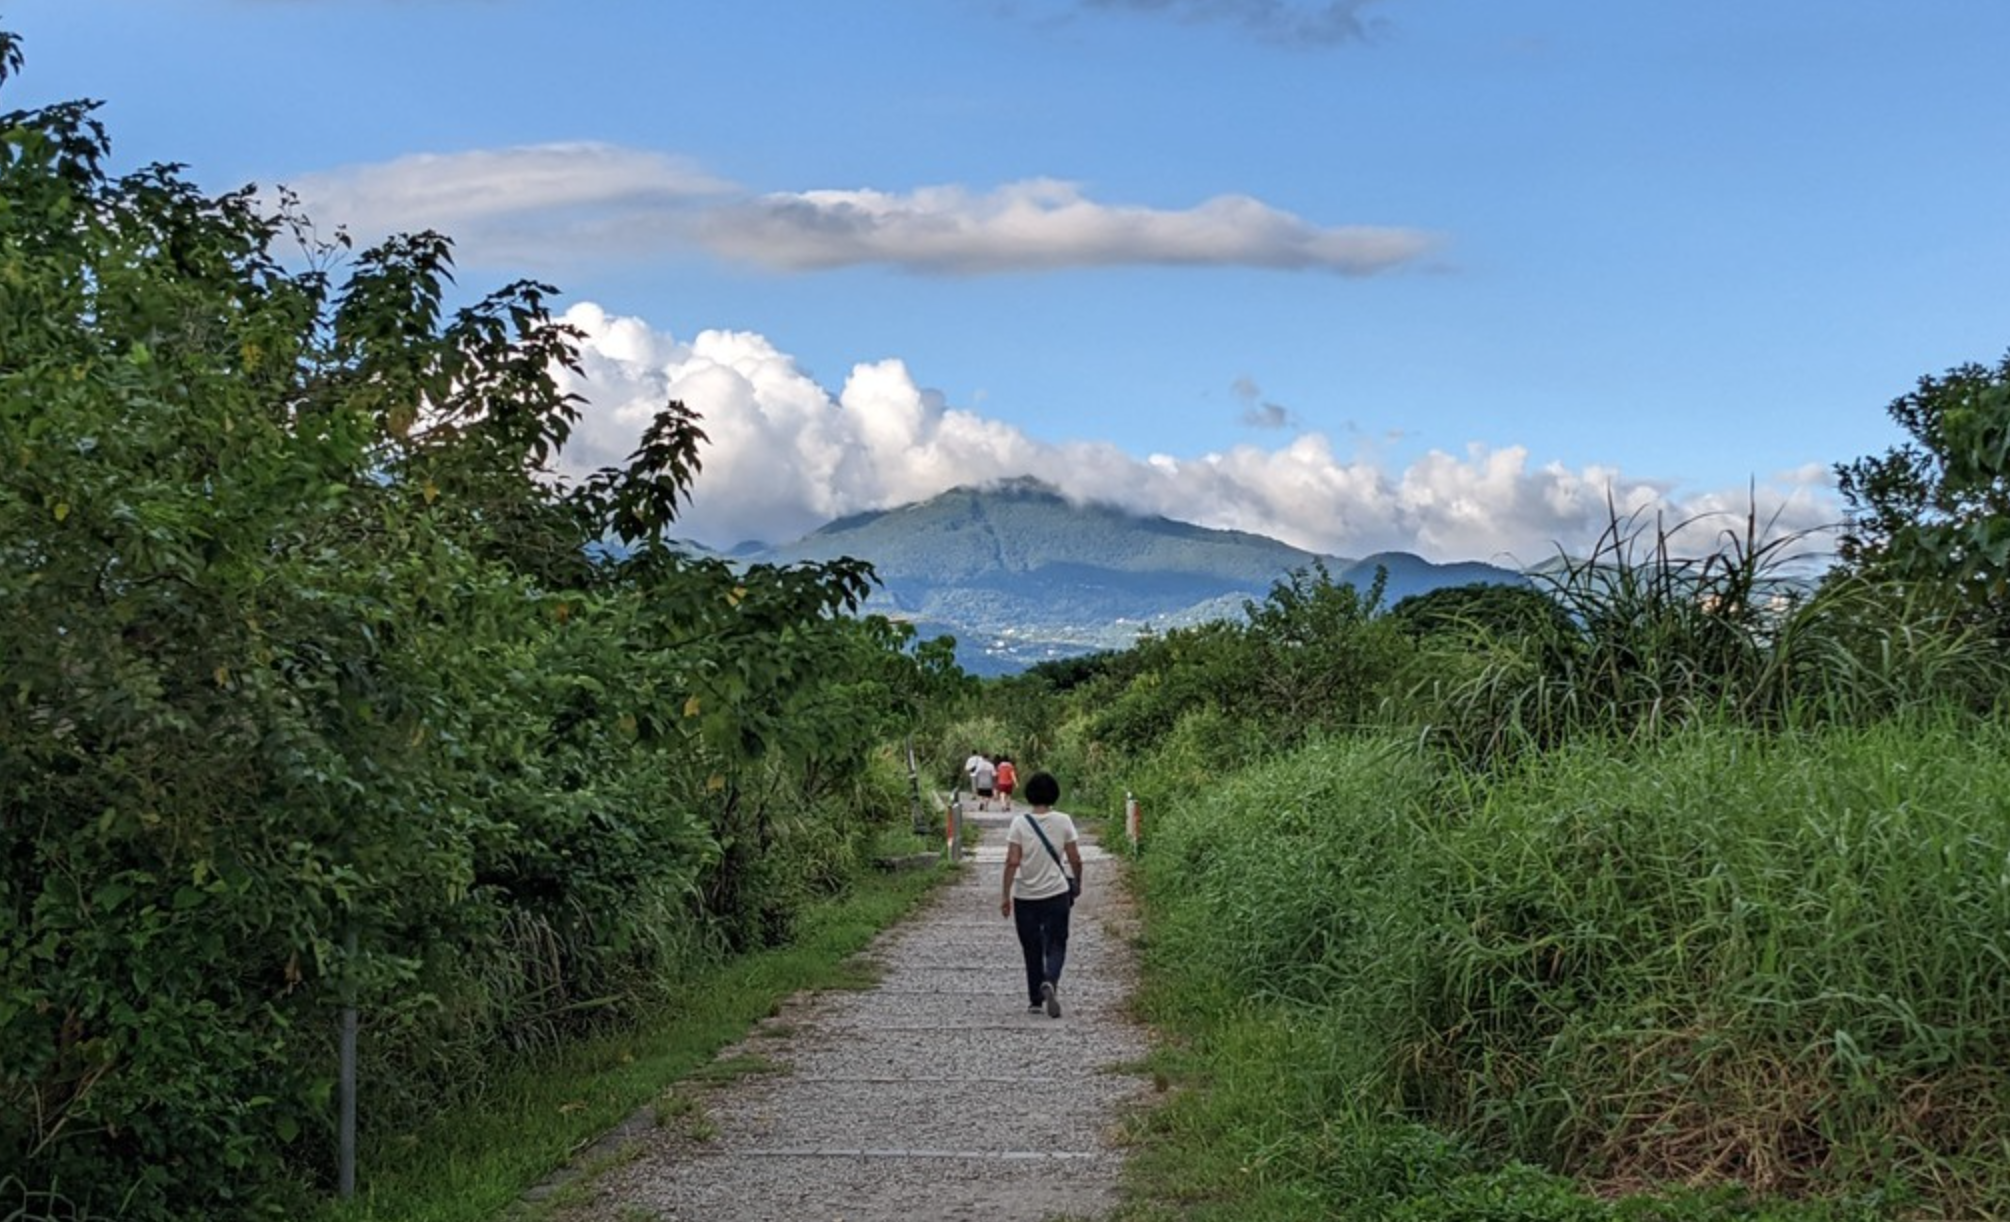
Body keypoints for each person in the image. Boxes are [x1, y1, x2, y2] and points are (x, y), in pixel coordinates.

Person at [999, 772, 1081, 1018]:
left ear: (1029, 795)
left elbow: (1012, 861)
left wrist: (1005, 895)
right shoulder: (1064, 820)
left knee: (1031, 947)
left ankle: (1035, 999)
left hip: (1025, 896)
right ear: (1054, 794)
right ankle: (1051, 982)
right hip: (1056, 893)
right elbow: (1075, 858)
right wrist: (1078, 882)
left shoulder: (1019, 823)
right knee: (1057, 943)